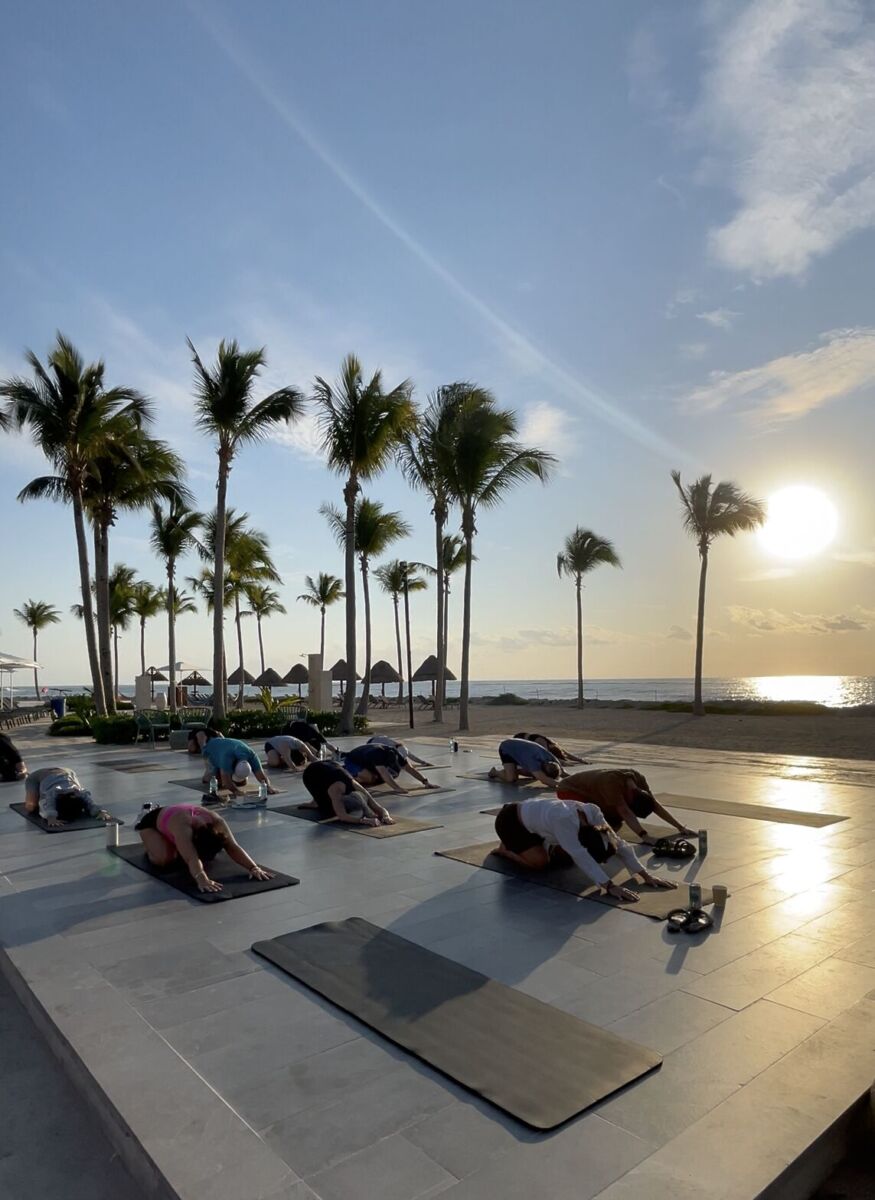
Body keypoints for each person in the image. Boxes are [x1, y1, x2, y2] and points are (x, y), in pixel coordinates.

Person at [493, 796, 678, 903]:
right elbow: (580, 854)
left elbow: (619, 843)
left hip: (538, 824)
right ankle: (505, 849)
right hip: (511, 822)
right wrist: (609, 886)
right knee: (540, 863)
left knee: (565, 856)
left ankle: (540, 846)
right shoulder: (563, 820)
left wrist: (646, 875)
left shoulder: (593, 813)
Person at [134, 802, 273, 893]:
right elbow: (191, 858)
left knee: (185, 853)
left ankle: (175, 843)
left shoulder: (217, 822)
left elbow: (233, 846)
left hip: (176, 821)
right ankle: (146, 815)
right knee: (165, 859)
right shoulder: (183, 826)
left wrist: (253, 868)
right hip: (152, 822)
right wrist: (201, 878)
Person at [555, 768, 695, 845]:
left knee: (614, 822)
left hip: (594, 791)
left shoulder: (639, 780)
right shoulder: (611, 783)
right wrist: (645, 836)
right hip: (568, 789)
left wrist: (680, 827)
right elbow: (625, 811)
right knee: (591, 820)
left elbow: (655, 805)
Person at [299, 760, 394, 827]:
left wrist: (386, 816)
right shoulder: (336, 791)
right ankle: (315, 802)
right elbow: (342, 816)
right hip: (310, 774)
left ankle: (316, 801)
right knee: (327, 807)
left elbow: (378, 807)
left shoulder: (356, 786)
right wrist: (364, 820)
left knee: (330, 794)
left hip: (331, 765)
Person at [24, 766, 111, 828]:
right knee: (31, 807)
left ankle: (42, 790)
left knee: (81, 793)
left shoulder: (79, 792)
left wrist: (100, 812)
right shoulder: (53, 792)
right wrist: (51, 817)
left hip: (67, 772)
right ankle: (40, 789)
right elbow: (49, 805)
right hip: (38, 775)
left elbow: (90, 802)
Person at [195, 731, 277, 796]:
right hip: (211, 750)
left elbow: (261, 775)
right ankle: (203, 738)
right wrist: (236, 791)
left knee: (241, 783)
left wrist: (268, 787)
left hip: (227, 747)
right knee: (213, 781)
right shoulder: (226, 758)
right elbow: (226, 782)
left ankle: (219, 737)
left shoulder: (251, 755)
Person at [342, 742, 436, 793]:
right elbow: (384, 773)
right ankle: (347, 774)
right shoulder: (378, 755)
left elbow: (410, 769)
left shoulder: (397, 754)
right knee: (369, 778)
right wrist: (396, 788)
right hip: (352, 760)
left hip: (366, 761)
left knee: (381, 778)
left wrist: (425, 782)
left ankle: (363, 773)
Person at [488, 737, 567, 787]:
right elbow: (545, 780)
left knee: (535, 775)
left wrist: (572, 781)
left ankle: (513, 770)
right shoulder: (533, 762)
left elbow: (564, 774)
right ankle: (495, 772)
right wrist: (566, 786)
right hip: (507, 747)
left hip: (520, 748)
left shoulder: (553, 760)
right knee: (511, 779)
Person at [514, 732, 588, 765]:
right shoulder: (536, 739)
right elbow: (565, 753)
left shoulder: (537, 740)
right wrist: (580, 760)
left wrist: (578, 760)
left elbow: (546, 754)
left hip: (556, 758)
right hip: (557, 756)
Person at [367, 733, 433, 767]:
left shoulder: (402, 749)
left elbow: (413, 757)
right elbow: (412, 757)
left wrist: (424, 762)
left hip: (375, 741)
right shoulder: (394, 749)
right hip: (372, 744)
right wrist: (424, 763)